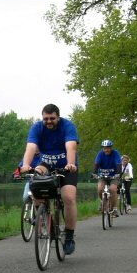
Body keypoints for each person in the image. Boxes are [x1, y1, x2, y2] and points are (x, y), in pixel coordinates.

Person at [20, 104, 79, 255]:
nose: (49, 121)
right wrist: (26, 165)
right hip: (45, 164)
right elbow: (31, 148)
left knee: (68, 197)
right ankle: (44, 216)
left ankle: (69, 236)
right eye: (46, 118)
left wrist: (70, 164)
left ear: (58, 117)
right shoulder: (37, 128)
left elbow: (71, 147)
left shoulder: (68, 126)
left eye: (52, 118)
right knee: (36, 180)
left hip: (66, 166)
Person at [93, 139, 122, 216]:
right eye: (104, 148)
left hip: (114, 176)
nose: (106, 150)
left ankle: (114, 209)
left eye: (108, 148)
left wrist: (118, 173)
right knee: (100, 189)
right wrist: (94, 173)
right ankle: (102, 201)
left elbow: (118, 164)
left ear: (111, 148)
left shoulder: (115, 153)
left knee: (112, 189)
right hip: (103, 175)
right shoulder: (100, 154)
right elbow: (97, 164)